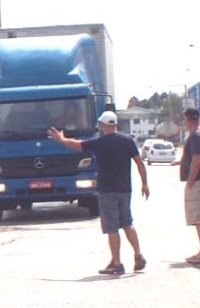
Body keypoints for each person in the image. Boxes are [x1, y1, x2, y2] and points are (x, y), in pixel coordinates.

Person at [48, 111, 149, 274]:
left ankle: (117, 263)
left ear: (102, 125)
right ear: (115, 124)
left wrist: (61, 139)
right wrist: (144, 184)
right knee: (127, 223)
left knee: (112, 228)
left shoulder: (100, 142)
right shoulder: (127, 141)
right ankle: (138, 255)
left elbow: (76, 145)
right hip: (125, 189)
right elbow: (139, 163)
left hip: (107, 190)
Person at [172, 107, 200, 264]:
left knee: (197, 218)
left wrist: (190, 180)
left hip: (196, 183)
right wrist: (181, 162)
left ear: (188, 119)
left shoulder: (195, 135)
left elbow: (197, 159)